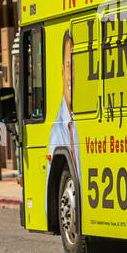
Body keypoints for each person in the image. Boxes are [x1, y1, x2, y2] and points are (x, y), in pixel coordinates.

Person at [47, 30, 81, 180]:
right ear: (62, 71)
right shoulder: (56, 133)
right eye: (69, 66)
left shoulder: (81, 120)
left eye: (77, 65)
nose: (72, 75)